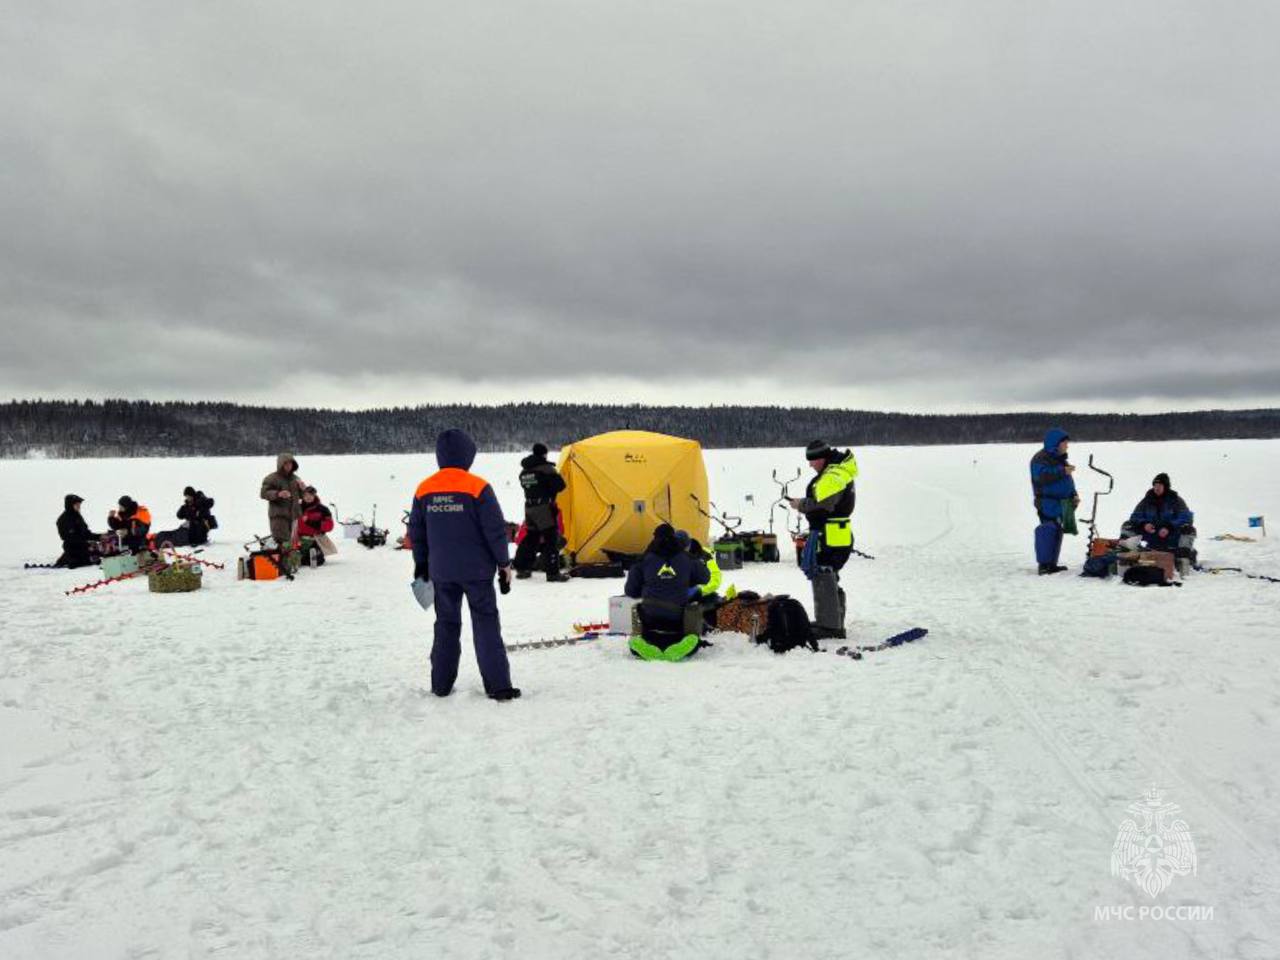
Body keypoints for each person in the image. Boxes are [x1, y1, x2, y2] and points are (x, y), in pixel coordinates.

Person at [407, 429, 520, 701]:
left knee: (446, 625)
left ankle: (441, 685)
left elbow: (417, 533)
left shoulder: (425, 489)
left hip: (442, 572)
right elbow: (494, 531)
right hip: (478, 572)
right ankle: (498, 685)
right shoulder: (478, 487)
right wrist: (504, 564)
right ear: (468, 455)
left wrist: (421, 565)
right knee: (486, 625)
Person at [788, 439, 858, 640]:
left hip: (831, 536)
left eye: (812, 461)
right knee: (829, 576)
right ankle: (833, 620)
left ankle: (830, 627)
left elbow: (822, 505)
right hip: (835, 534)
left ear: (822, 458)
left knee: (824, 575)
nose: (810, 465)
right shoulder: (837, 473)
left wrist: (800, 504)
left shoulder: (832, 477)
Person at [623, 524, 710, 661]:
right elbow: (705, 578)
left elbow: (630, 591)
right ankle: (690, 641)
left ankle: (638, 642)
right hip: (679, 619)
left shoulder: (643, 560)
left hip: (650, 618)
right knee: (695, 604)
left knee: (637, 606)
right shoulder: (687, 558)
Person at [513, 443, 567, 581]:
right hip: (543, 508)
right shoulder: (547, 469)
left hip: (529, 508)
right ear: (544, 454)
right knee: (551, 539)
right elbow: (561, 485)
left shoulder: (524, 472)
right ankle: (553, 573)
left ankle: (522, 568)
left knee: (531, 537)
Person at [1029, 427, 1079, 575]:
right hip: (1047, 502)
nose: (1067, 446)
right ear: (1056, 443)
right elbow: (1041, 477)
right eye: (1065, 443)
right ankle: (1044, 565)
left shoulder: (1061, 459)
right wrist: (1062, 471)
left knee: (1058, 531)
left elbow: (1067, 481)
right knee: (1048, 529)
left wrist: (1074, 495)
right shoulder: (1040, 458)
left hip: (1062, 503)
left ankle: (1052, 564)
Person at [1122, 473, 1196, 561]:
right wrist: (1144, 524)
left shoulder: (1175, 500)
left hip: (1171, 536)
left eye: (1160, 485)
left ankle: (1184, 557)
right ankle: (1125, 554)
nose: (1157, 488)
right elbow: (1135, 516)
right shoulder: (1146, 500)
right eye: (1155, 485)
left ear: (1166, 486)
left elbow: (1186, 517)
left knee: (1189, 529)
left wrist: (1169, 527)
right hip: (1152, 535)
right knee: (1128, 525)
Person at [260, 453, 306, 547]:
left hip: (295, 517)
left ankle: (294, 560)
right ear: (280, 464)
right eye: (286, 463)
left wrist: (303, 489)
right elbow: (263, 493)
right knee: (282, 542)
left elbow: (303, 496)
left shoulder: (296, 479)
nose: (289, 466)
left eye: (290, 463)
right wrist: (278, 494)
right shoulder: (271, 478)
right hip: (279, 516)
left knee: (295, 543)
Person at [55, 494, 101, 568]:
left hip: (83, 546)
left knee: (97, 558)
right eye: (77, 504)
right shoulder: (64, 519)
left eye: (79, 504)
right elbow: (69, 538)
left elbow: (86, 534)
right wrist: (87, 544)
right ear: (70, 505)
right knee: (79, 563)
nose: (79, 506)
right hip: (73, 548)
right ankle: (66, 560)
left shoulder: (78, 516)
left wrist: (100, 537)